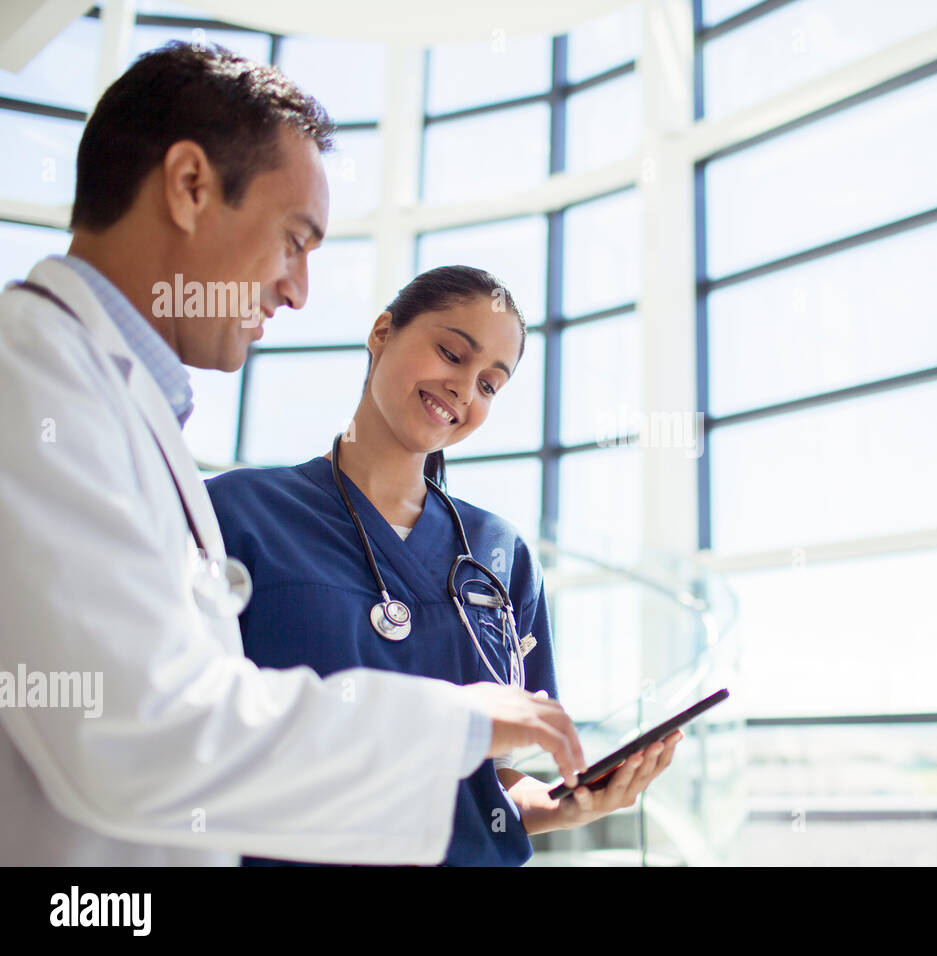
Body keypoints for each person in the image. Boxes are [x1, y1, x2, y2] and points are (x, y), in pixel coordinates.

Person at [0, 42, 586, 866]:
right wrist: (454, 723)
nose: (298, 289)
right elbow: (137, 727)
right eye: (293, 240)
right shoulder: (33, 379)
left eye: (493, 380)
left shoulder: (115, 405)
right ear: (191, 186)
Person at [205, 266, 684, 866]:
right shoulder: (236, 515)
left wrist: (565, 807)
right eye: (452, 353)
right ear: (382, 334)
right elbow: (195, 734)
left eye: (490, 384)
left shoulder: (499, 556)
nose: (464, 389)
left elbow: (489, 785)